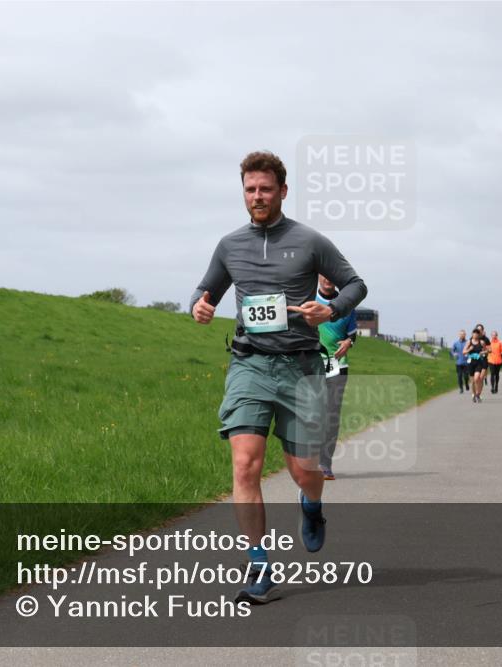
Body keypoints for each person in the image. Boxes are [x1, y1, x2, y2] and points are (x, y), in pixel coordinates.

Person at [190, 151, 367, 604]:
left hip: (301, 366)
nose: (257, 196)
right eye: (250, 189)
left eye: (265, 188)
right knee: (245, 463)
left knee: (304, 471)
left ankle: (311, 506)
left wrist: (331, 309)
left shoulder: (310, 241)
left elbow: (354, 285)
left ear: (282, 191)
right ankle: (259, 566)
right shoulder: (230, 245)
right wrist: (200, 305)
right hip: (250, 363)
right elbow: (206, 287)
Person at [316, 274, 357, 481]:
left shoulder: (346, 305)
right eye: (324, 275)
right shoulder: (308, 298)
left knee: (331, 415)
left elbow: (353, 334)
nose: (328, 279)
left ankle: (324, 463)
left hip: (337, 366)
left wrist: (349, 342)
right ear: (318, 276)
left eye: (332, 275)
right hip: (311, 364)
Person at [463, 329, 485, 403]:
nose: (475, 335)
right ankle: (474, 394)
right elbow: (464, 352)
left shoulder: (481, 342)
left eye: (477, 334)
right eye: (474, 333)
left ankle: (478, 394)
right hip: (471, 362)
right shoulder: (469, 342)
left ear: (479, 335)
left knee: (476, 378)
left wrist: (483, 352)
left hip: (478, 362)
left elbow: (486, 351)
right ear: (472, 334)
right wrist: (469, 349)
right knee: (472, 381)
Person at [450, 329, 469, 394]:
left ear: (465, 335)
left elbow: (471, 351)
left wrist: (469, 356)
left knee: (466, 376)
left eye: (463, 334)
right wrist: (454, 354)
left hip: (466, 363)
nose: (462, 335)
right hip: (459, 363)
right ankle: (461, 388)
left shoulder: (468, 342)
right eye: (461, 334)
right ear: (459, 335)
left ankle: (466, 384)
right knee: (459, 376)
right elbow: (452, 350)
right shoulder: (456, 343)